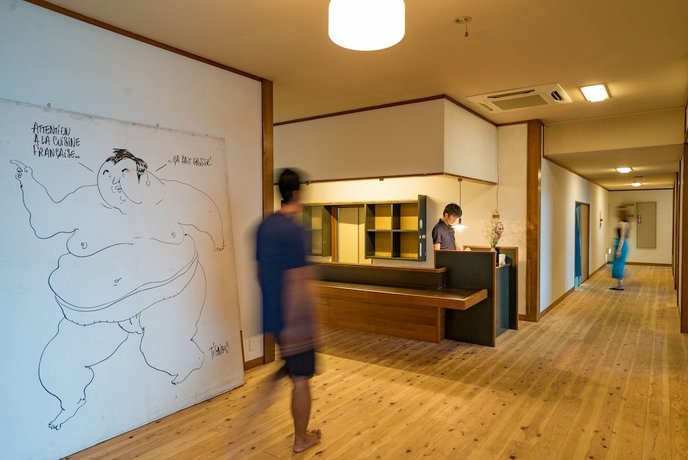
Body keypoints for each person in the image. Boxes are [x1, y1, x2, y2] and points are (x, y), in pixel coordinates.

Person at [11, 149, 225, 430]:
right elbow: (46, 220)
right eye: (108, 174)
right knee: (56, 363)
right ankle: (71, 401)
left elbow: (206, 207)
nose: (116, 182)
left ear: (143, 174)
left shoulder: (166, 195)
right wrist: (27, 181)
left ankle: (191, 361)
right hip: (101, 308)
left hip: (169, 294)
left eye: (124, 173)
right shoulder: (84, 201)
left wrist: (219, 239)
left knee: (159, 350)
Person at [255, 168, 322, 454]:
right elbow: (299, 279)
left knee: (290, 373)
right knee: (301, 379)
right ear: (297, 192)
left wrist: (273, 313)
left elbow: (259, 273)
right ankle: (300, 439)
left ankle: (293, 432)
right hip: (295, 319)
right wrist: (308, 324)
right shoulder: (294, 230)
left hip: (274, 316)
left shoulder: (264, 226)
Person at [610, 206, 631, 290]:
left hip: (621, 245)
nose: (617, 214)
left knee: (618, 265)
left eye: (618, 212)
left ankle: (620, 285)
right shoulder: (627, 223)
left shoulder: (622, 223)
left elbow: (622, 237)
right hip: (623, 244)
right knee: (619, 265)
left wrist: (619, 250)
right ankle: (620, 284)